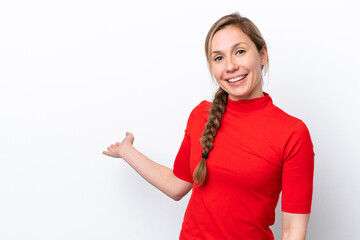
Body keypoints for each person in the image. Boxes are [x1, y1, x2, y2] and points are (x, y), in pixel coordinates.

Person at [102, 12, 314, 240]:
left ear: (262, 55)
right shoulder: (201, 115)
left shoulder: (292, 133)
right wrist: (127, 151)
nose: (230, 66)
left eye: (239, 52)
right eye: (218, 58)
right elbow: (176, 185)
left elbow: (293, 230)